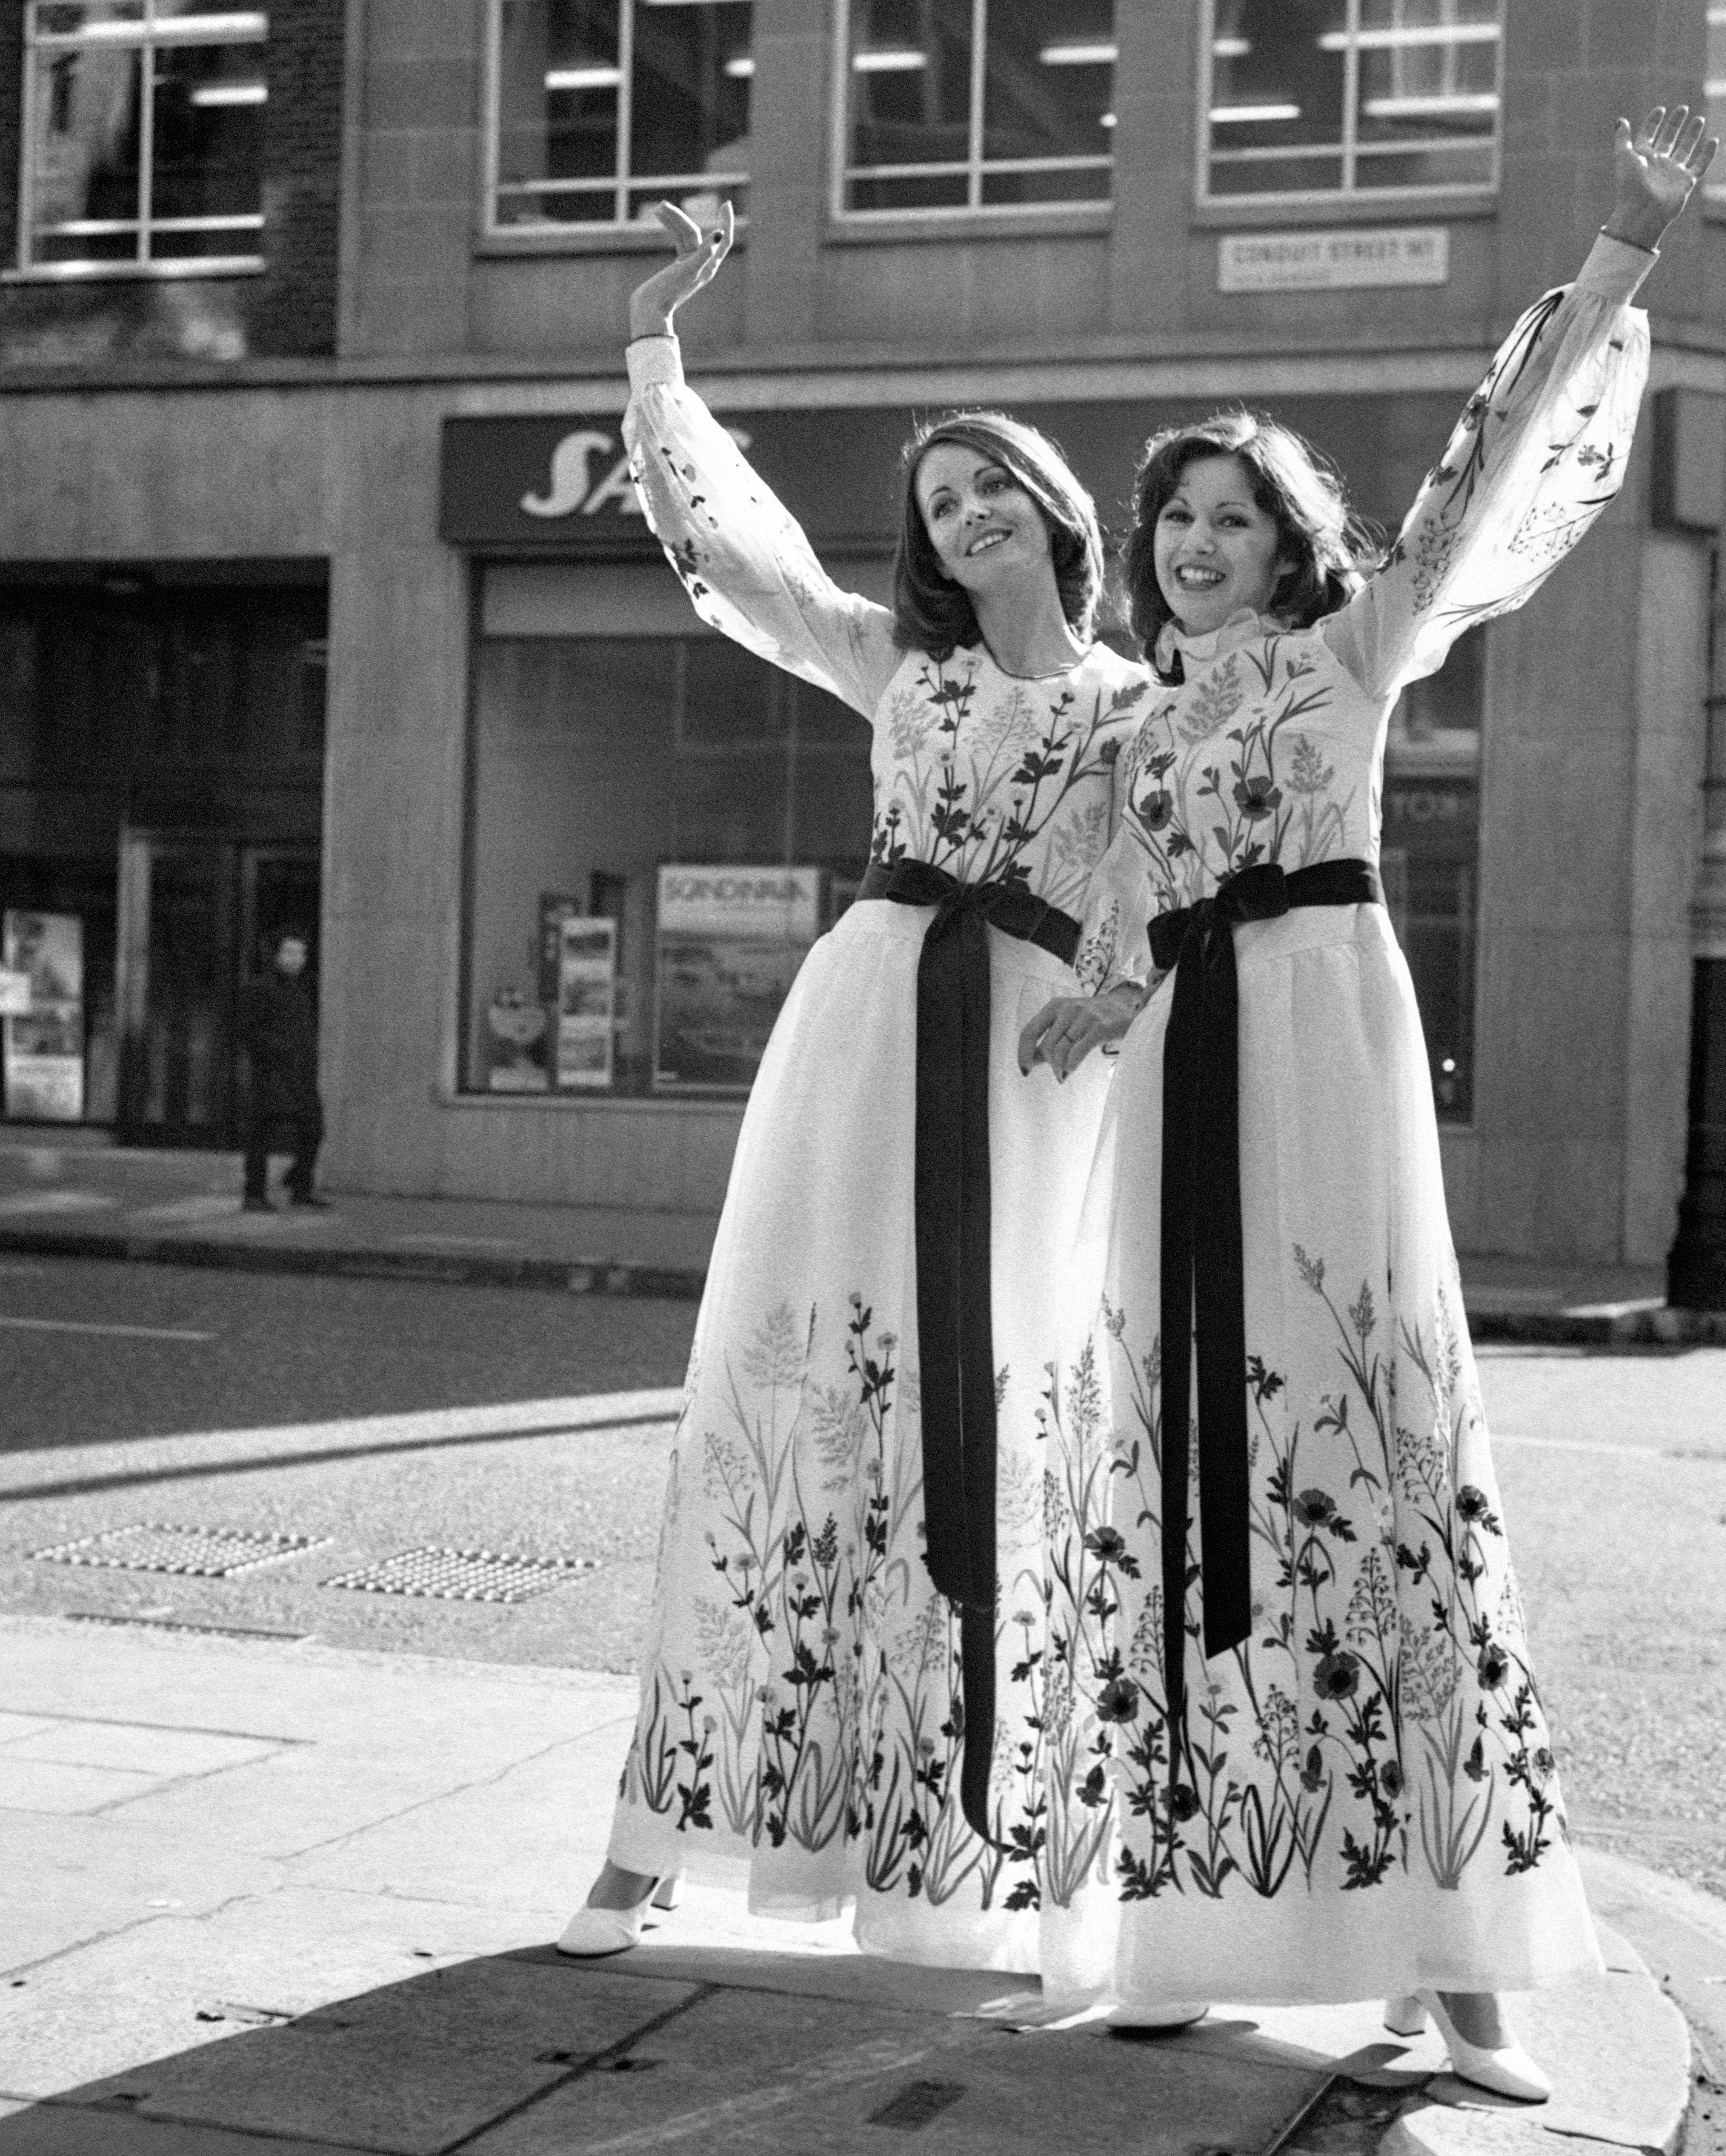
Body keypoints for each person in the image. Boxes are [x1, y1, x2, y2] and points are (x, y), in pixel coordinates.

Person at [1015, 109, 1714, 2089]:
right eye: (1175, 518)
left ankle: (1454, 1964)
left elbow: (1486, 470)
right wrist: (1095, 1000)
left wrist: (1619, 247)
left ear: (1289, 542)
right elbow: (1128, 913)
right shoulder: (1136, 718)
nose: (1195, 542)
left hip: (1326, 1038)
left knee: (1369, 1438)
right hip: (1180, 1076)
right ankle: (1182, 1907)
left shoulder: (1357, 650)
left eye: (1231, 516)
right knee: (1179, 1453)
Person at [556, 202, 1152, 1967]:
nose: (963, 514)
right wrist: (657, 338)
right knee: (783, 1410)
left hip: (1025, 1081)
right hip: (865, 1028)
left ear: (1057, 513)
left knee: (991, 1416)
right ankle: (652, 1833)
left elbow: (1177, 898)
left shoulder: (1140, 708)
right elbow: (728, 550)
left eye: (991, 485)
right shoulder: (901, 667)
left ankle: (969, 1841)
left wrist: (1112, 994)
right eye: (938, 500)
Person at [241, 931, 326, 1212]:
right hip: (271, 1072)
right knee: (262, 1132)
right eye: (289, 952)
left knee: (313, 1128)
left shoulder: (302, 990)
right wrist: (282, 1051)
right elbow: (249, 1031)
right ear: (277, 954)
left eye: (300, 953)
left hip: (300, 1074)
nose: (295, 959)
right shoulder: (262, 987)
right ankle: (254, 1194)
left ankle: (300, 1187)